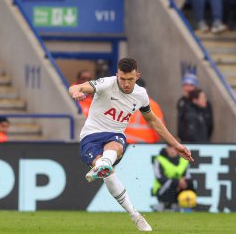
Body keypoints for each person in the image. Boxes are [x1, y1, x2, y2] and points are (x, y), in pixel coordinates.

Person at [69, 58, 194, 232]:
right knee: (108, 172)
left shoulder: (141, 94)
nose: (126, 84)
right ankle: (134, 214)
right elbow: (77, 87)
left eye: (130, 79)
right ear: (117, 75)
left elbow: (153, 120)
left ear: (137, 76)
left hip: (115, 135)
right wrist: (76, 92)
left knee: (115, 147)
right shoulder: (106, 84)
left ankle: (103, 164)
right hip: (91, 136)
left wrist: (176, 144)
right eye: (122, 79)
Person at [152, 144, 195, 211]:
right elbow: (159, 177)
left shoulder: (184, 160)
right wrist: (177, 182)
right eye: (170, 147)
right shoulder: (159, 160)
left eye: (175, 148)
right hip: (162, 189)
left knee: (189, 182)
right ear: (166, 148)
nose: (173, 150)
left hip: (179, 187)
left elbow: (187, 176)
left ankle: (188, 207)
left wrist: (182, 182)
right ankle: (166, 206)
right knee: (173, 183)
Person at [125, 79, 165, 144]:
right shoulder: (152, 105)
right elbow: (160, 131)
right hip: (142, 145)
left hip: (143, 145)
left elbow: (159, 130)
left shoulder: (124, 103)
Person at [177, 73, 213, 141]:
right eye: (186, 85)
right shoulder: (182, 103)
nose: (188, 88)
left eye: (191, 85)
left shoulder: (205, 105)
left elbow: (210, 125)